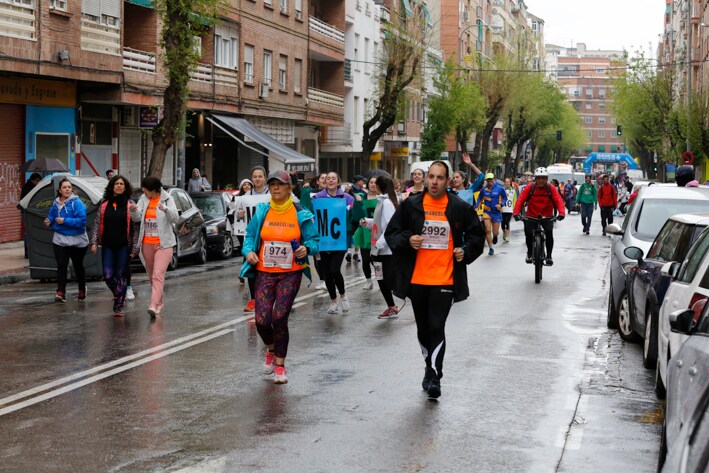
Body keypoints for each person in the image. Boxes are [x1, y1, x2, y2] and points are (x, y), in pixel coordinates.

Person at [385, 161, 484, 399]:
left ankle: (435, 374)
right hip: (418, 278)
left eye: (440, 178)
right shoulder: (412, 205)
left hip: (445, 278)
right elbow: (392, 233)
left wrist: (464, 250)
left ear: (448, 181)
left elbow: (476, 235)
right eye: (431, 177)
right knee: (423, 328)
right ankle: (428, 367)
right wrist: (409, 240)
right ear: (426, 179)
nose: (435, 182)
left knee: (437, 326)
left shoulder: (458, 206)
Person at [240, 170, 319, 384]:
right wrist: (248, 251)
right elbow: (249, 236)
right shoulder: (262, 211)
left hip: (290, 273)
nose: (275, 188)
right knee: (262, 320)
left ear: (289, 188)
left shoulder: (301, 213)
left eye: (280, 184)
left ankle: (280, 366)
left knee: (279, 317)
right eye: (272, 184)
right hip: (265, 272)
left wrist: (306, 248)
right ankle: (271, 349)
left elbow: (314, 241)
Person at [129, 176, 179, 318]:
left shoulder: (167, 199)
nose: (143, 192)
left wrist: (166, 209)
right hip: (147, 243)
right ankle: (159, 302)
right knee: (152, 276)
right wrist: (133, 210)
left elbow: (175, 218)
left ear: (153, 189)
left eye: (146, 190)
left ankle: (153, 305)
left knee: (158, 275)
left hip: (164, 244)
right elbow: (137, 218)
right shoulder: (144, 200)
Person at [90, 175, 140, 317]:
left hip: (124, 246)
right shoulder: (104, 204)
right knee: (107, 275)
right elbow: (96, 224)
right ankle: (120, 293)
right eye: (116, 184)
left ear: (125, 187)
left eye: (121, 184)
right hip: (108, 245)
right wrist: (94, 242)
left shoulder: (130, 204)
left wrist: (135, 247)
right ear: (112, 186)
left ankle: (119, 305)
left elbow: (136, 228)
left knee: (121, 275)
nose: (119, 186)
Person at [313, 172, 359, 314]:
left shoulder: (347, 198)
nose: (331, 180)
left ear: (338, 182)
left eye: (333, 178)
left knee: (334, 270)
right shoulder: (317, 198)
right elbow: (309, 214)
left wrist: (358, 203)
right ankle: (333, 301)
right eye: (328, 179)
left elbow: (355, 216)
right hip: (323, 240)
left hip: (339, 241)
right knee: (327, 273)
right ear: (324, 182)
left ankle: (343, 296)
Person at [44, 178, 89, 302]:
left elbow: (82, 221)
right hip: (60, 238)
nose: (67, 189)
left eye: (69, 187)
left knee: (78, 265)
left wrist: (65, 221)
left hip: (77, 239)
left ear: (71, 189)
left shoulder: (77, 203)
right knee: (62, 265)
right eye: (64, 187)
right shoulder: (56, 203)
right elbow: (52, 215)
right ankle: (61, 292)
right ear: (60, 190)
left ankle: (81, 289)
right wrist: (49, 221)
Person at [361, 175, 401, 318]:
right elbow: (380, 223)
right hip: (378, 249)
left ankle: (418, 303)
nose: (373, 186)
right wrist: (369, 223)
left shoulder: (388, 203)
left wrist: (378, 246)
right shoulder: (382, 201)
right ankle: (391, 306)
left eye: (375, 184)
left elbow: (390, 227)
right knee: (381, 279)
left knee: (391, 281)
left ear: (379, 186)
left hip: (386, 251)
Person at [512, 167, 566, 266]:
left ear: (547, 178)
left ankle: (549, 255)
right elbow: (520, 199)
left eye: (543, 178)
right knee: (528, 233)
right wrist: (516, 213)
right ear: (535, 179)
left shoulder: (551, 188)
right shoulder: (530, 187)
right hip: (532, 215)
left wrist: (561, 213)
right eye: (539, 178)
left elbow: (558, 200)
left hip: (547, 216)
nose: (541, 180)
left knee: (549, 233)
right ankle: (529, 252)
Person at [238, 166, 270, 312]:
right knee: (251, 267)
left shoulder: (271, 194)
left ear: (265, 178)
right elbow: (236, 216)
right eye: (255, 176)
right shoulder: (245, 197)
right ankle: (253, 299)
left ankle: (267, 297)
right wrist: (239, 214)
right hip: (251, 237)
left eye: (260, 176)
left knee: (267, 268)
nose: (257, 179)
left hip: (268, 236)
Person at [353, 176, 379, 289]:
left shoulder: (382, 198)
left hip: (378, 231)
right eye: (371, 182)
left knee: (376, 260)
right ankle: (368, 281)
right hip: (364, 231)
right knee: (365, 259)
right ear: (367, 184)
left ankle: (382, 280)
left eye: (375, 183)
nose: (373, 184)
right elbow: (356, 214)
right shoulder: (362, 197)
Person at [475, 173, 507, 255]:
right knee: (487, 229)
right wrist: (476, 207)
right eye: (488, 180)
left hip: (497, 212)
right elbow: (479, 199)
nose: (490, 181)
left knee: (495, 232)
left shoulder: (500, 189)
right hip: (487, 212)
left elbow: (505, 198)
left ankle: (495, 236)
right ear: (486, 180)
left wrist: (501, 205)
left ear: (494, 179)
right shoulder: (484, 190)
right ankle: (491, 247)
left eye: (491, 179)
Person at [20, 172, 42, 258]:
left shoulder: (34, 187)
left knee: (32, 232)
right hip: (27, 213)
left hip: (33, 213)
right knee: (29, 232)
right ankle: (28, 252)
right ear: (32, 180)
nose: (38, 183)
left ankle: (32, 251)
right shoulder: (28, 188)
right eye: (37, 181)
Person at [501, 177, 517, 242]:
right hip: (502, 209)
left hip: (510, 210)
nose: (507, 183)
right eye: (506, 182)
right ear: (504, 183)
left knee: (507, 222)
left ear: (510, 183)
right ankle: (504, 233)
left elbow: (515, 200)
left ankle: (507, 236)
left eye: (508, 182)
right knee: (502, 224)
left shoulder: (513, 191)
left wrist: (515, 210)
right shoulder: (502, 190)